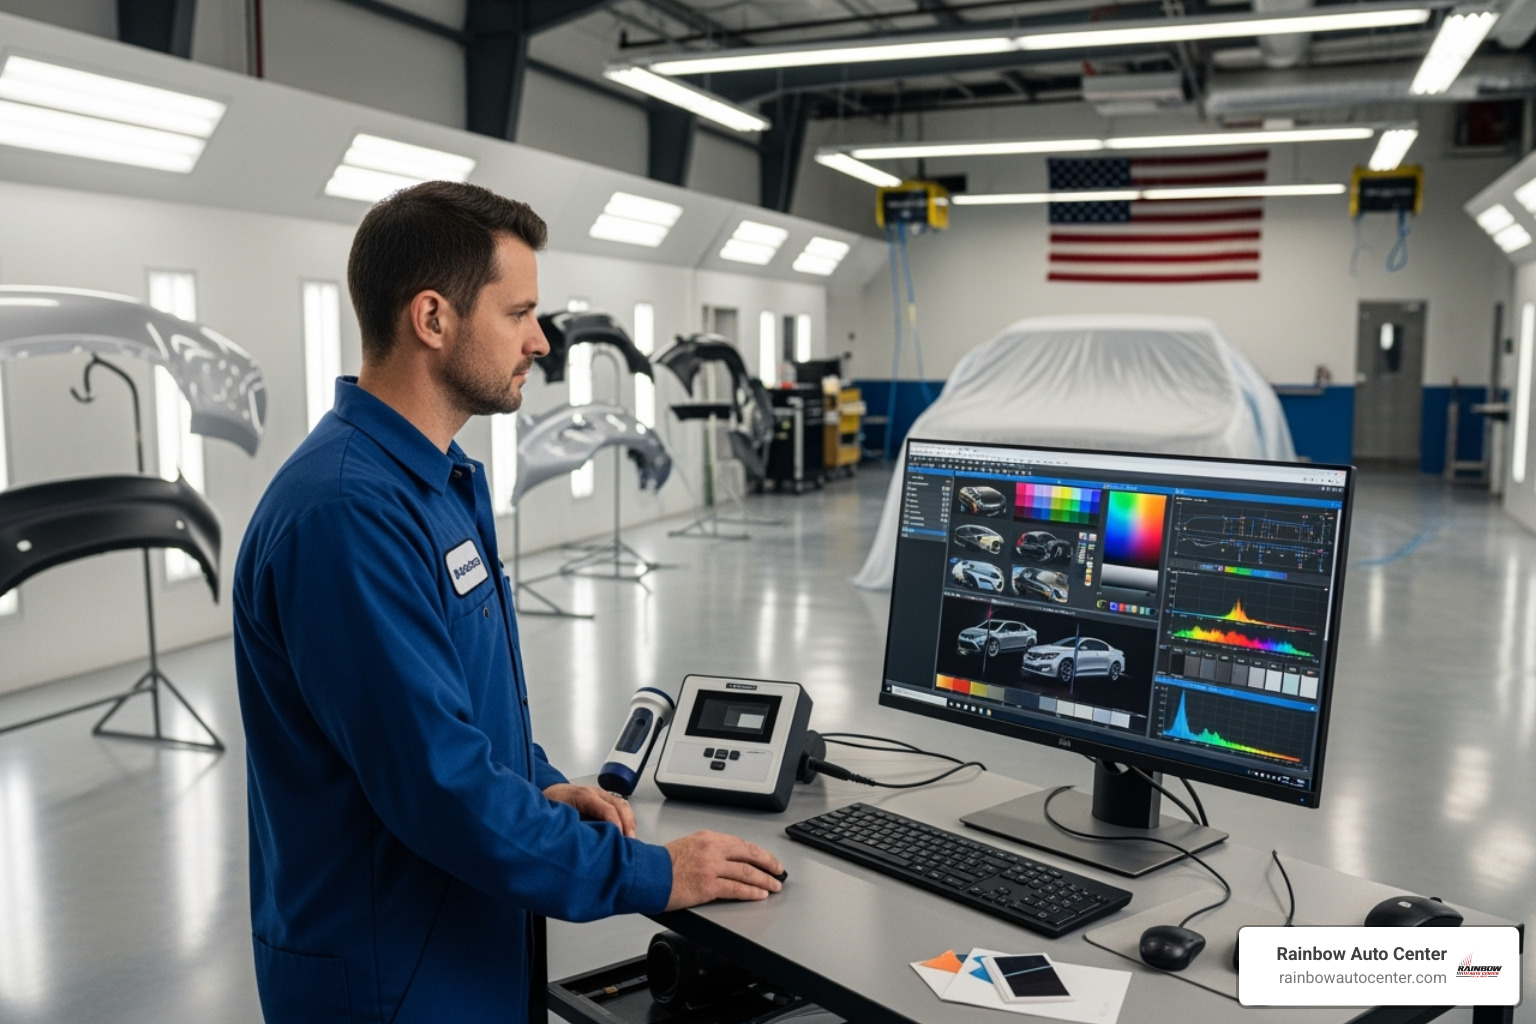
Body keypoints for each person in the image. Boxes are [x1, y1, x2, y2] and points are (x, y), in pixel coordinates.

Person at [232, 181, 784, 1024]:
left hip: (463, 946)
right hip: (391, 979)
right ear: (432, 318)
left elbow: (461, 714)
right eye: (519, 312)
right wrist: (655, 874)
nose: (540, 340)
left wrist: (539, 785)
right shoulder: (347, 513)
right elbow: (437, 787)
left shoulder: (436, 483)